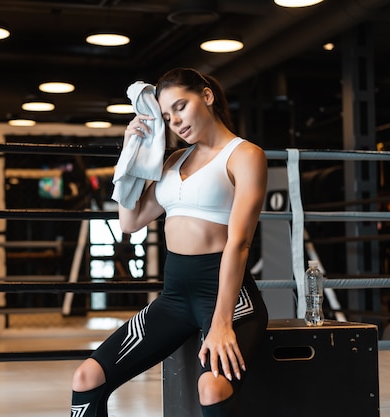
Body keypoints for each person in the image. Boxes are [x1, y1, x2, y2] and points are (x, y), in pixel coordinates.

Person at [70, 67, 269, 417]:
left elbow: (239, 243)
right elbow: (129, 222)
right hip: (175, 298)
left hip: (227, 299)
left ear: (206, 96)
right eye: (166, 116)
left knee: (212, 387)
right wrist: (131, 152)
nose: (175, 121)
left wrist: (221, 323)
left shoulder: (244, 155)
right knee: (87, 378)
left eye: (180, 106)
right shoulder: (174, 160)